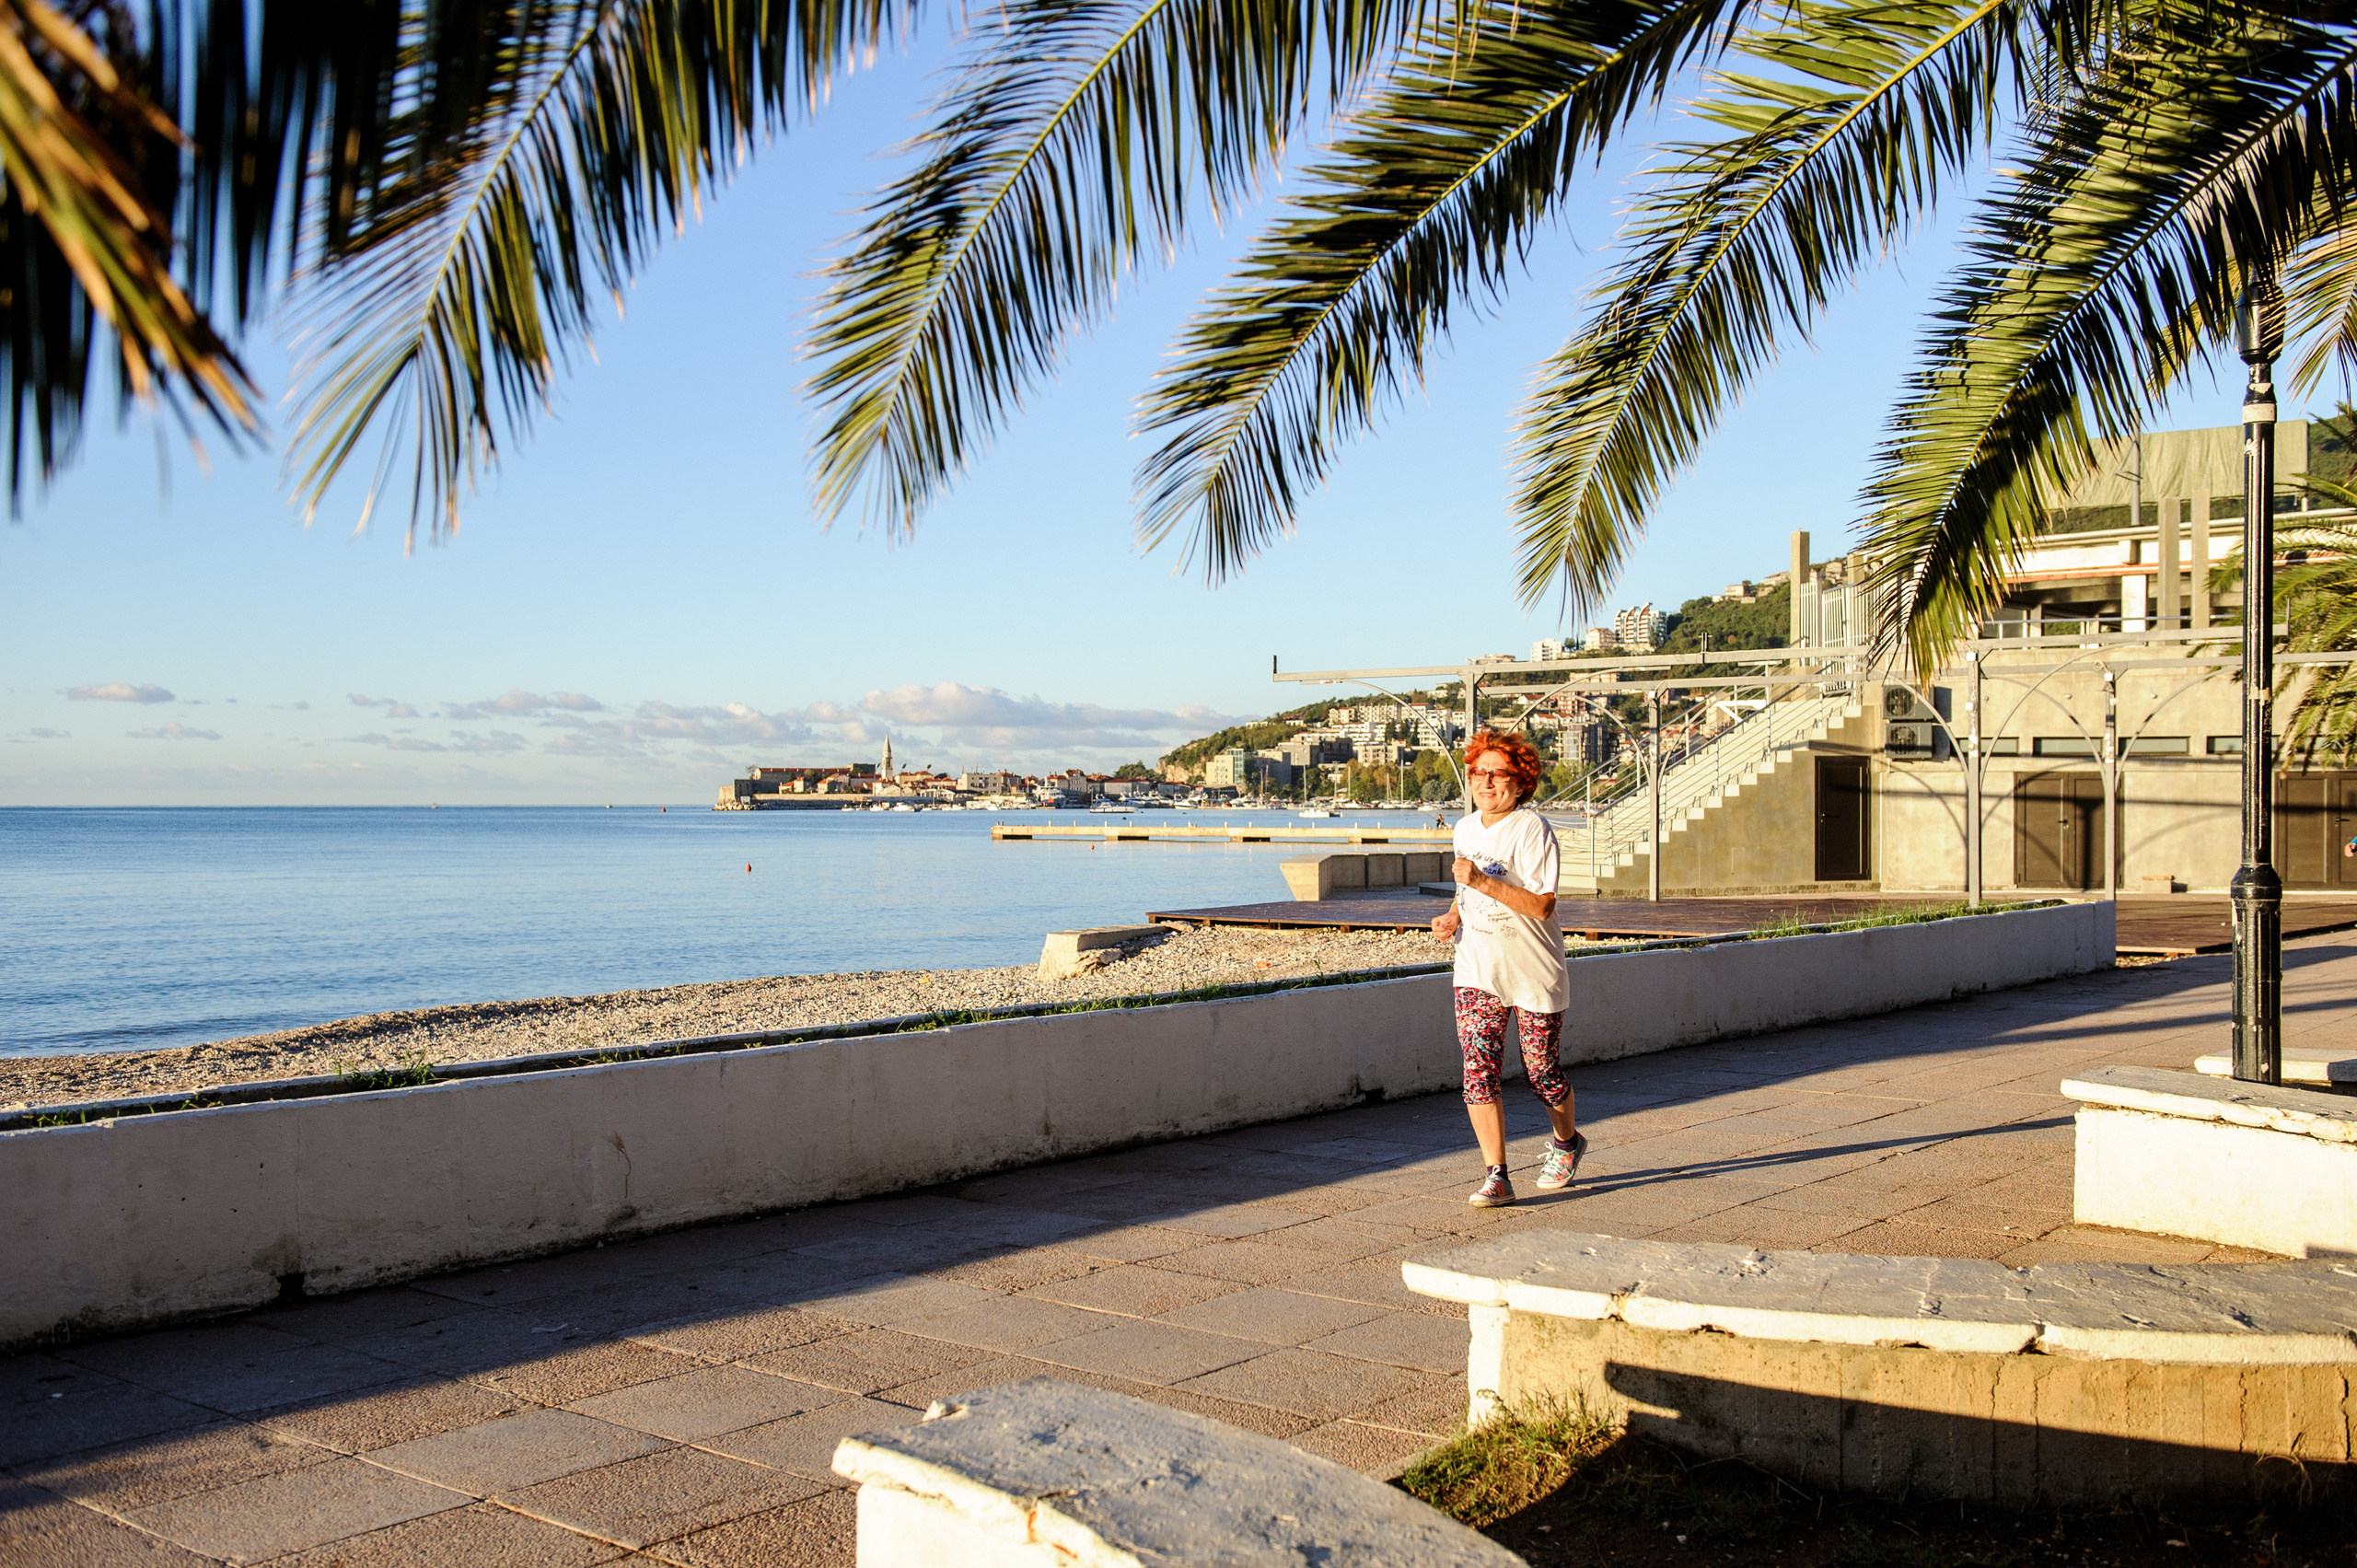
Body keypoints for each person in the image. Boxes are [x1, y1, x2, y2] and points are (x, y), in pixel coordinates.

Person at [1430, 730, 1581, 1207]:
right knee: (1478, 1071)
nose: (1486, 782)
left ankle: (1567, 1142)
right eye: (1479, 772)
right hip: (1477, 969)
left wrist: (1480, 880)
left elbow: (1541, 906)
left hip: (1533, 971)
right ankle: (1497, 1174)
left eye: (1499, 774)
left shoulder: (1533, 830)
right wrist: (1453, 915)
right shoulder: (1464, 829)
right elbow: (1464, 888)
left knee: (1542, 1072)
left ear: (1521, 782)